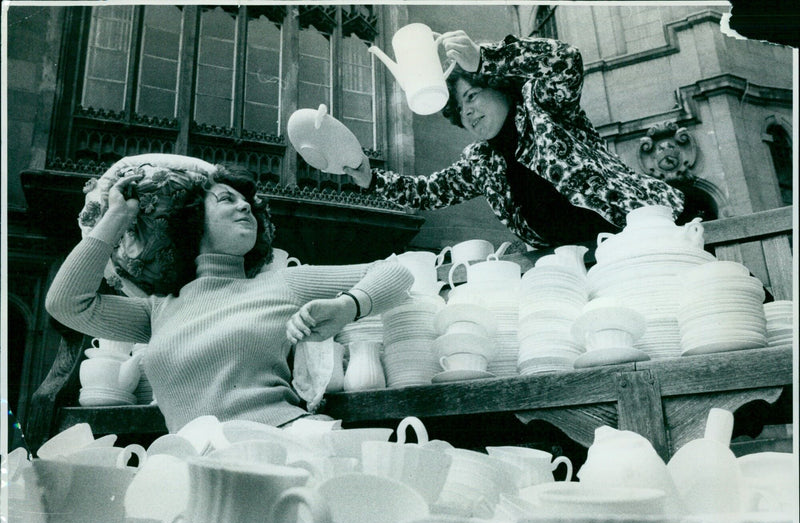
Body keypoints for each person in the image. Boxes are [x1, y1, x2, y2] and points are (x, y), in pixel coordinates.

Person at [46, 165, 413, 432]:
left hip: (284, 443)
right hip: (195, 461)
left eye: (249, 205)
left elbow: (399, 270)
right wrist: (117, 217)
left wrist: (349, 305)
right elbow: (66, 303)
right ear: (192, 220)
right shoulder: (158, 308)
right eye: (227, 199)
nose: (245, 208)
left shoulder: (283, 283)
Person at [345, 31, 685, 249]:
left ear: (499, 87)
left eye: (473, 96)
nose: (468, 112)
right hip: (573, 259)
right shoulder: (481, 161)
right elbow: (427, 192)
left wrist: (485, 58)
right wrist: (368, 176)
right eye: (460, 110)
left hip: (642, 233)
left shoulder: (544, 105)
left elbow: (565, 60)